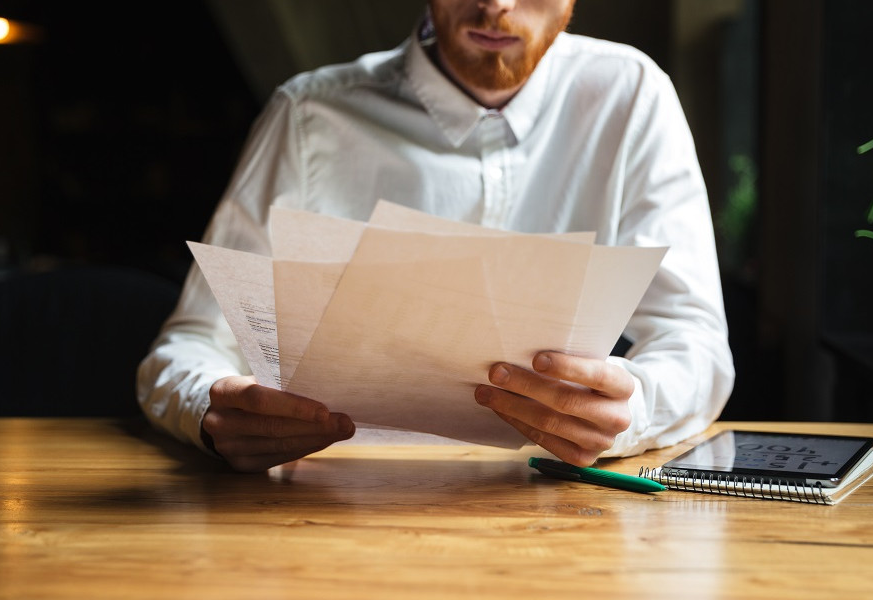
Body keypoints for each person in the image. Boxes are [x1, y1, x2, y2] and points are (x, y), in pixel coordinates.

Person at [137, 0, 735, 473]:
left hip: (558, 512)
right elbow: (187, 347)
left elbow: (697, 340)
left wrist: (632, 411)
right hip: (330, 511)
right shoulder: (308, 118)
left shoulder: (632, 98)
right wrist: (213, 412)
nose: (496, 5)